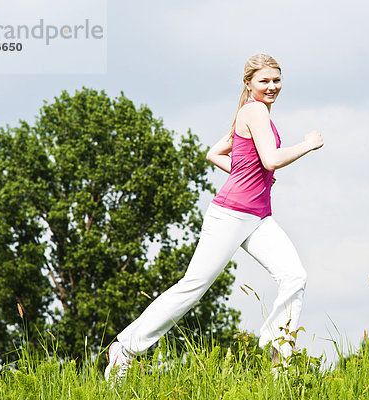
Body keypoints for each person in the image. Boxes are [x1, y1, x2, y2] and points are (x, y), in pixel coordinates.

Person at [105, 53, 324, 381]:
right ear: (248, 83)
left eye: (276, 80)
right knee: (193, 287)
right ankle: (125, 347)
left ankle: (279, 358)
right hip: (231, 215)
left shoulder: (253, 113)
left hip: (259, 217)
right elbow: (271, 159)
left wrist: (249, 172)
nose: (272, 86)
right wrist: (307, 145)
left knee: (294, 276)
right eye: (264, 80)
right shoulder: (253, 111)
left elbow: (215, 153)